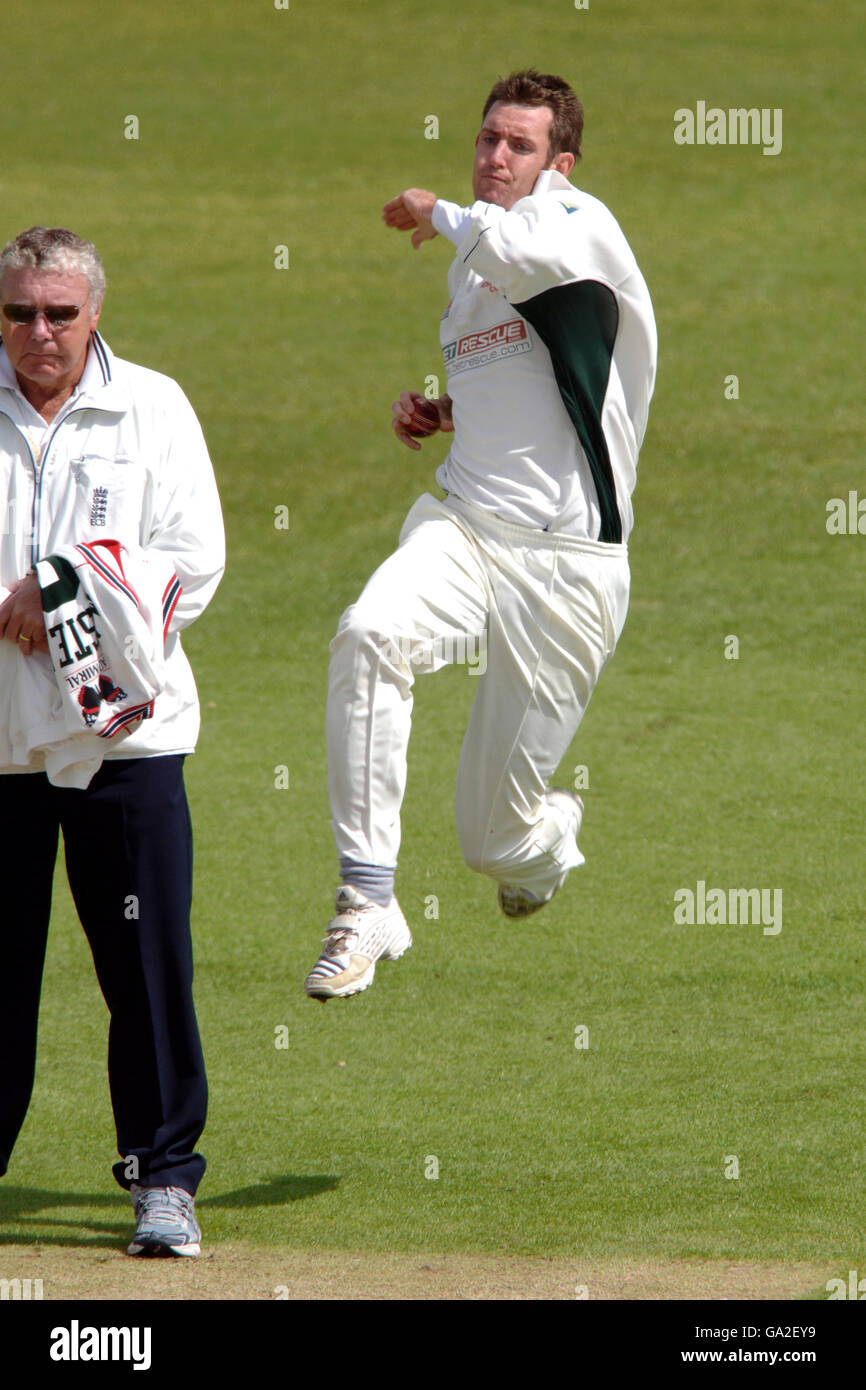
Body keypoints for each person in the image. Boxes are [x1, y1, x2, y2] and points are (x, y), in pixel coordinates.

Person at [304, 70, 656, 1002]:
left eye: (521, 145)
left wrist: (439, 206)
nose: (496, 158)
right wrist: (446, 410)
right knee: (370, 631)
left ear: (560, 163)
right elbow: (533, 380)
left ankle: (544, 845)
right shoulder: (474, 259)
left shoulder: (577, 222)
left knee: (490, 840)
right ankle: (367, 896)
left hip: (568, 566)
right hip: (466, 523)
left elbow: (518, 247)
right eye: (488, 139)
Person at [0, 227, 224, 1255]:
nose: (38, 334)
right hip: (1, 741)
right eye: (18, 313)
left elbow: (193, 559)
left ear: (95, 313)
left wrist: (63, 597)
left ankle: (164, 1180)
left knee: (143, 969)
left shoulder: (153, 406)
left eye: (59, 313)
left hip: (124, 744)